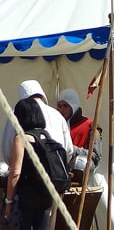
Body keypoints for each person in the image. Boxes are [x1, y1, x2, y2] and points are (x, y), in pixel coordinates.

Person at [4, 98, 55, 230]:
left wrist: (8, 202)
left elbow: (15, 172)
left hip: (26, 197)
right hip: (46, 196)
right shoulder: (46, 136)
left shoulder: (21, 138)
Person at [1, 81, 73, 166]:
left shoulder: (15, 114)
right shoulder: (57, 115)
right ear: (42, 96)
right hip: (55, 172)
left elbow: (7, 150)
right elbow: (68, 150)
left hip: (26, 173)